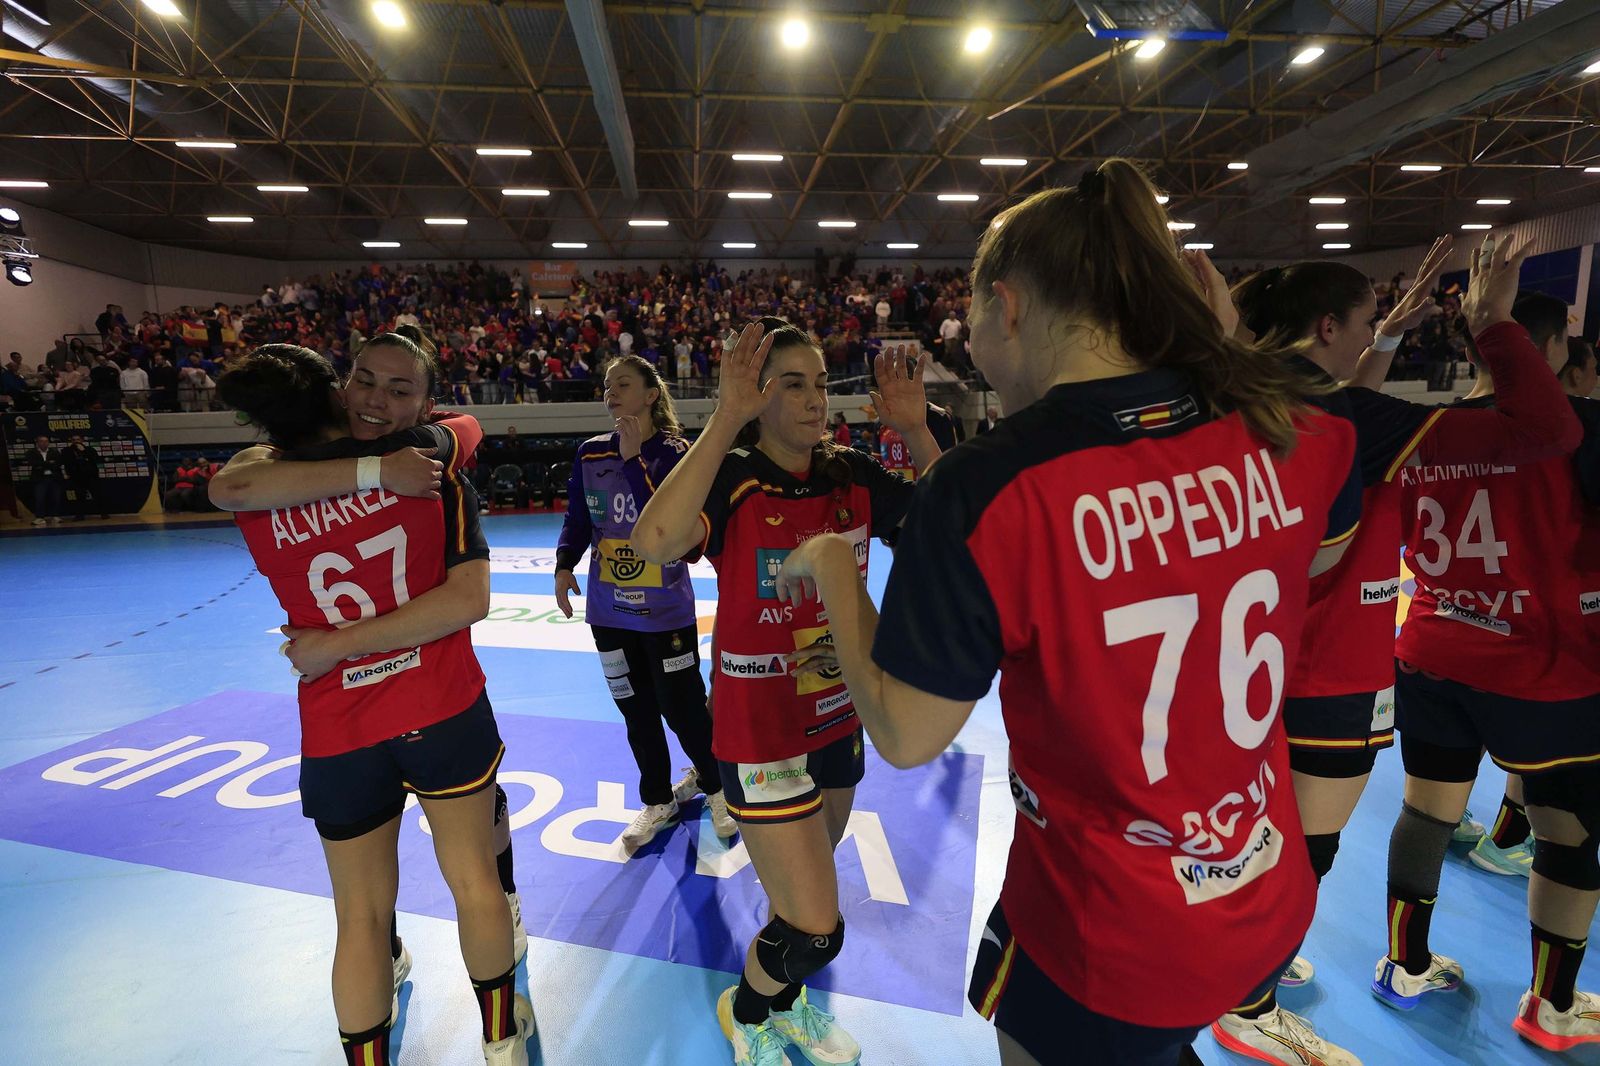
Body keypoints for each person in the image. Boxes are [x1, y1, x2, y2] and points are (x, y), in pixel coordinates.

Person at [769, 161, 1366, 1066]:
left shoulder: (985, 488)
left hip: (1109, 935)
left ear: (1007, 307)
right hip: (1260, 895)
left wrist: (830, 570)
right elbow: (1305, 550)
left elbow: (902, 729)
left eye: (972, 324)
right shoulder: (1294, 428)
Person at [1220, 237, 1580, 1061]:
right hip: (1332, 664)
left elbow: (1345, 408)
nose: (1376, 334)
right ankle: (1249, 1003)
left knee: (1254, 832)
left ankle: (1248, 966)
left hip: (1251, 664)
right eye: (1366, 323)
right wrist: (1491, 321)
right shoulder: (1349, 419)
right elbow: (1545, 427)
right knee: (1306, 849)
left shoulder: (1257, 400)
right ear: (1324, 327)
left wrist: (1384, 340)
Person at [210, 337, 535, 1066]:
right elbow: (468, 597)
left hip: (337, 726)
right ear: (336, 390)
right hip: (441, 703)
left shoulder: (261, 498)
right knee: (476, 882)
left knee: (359, 920)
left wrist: (334, 648)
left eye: (393, 387)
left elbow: (231, 486)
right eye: (362, 380)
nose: (373, 398)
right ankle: (499, 1041)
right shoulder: (426, 473)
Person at [633, 317, 939, 1066]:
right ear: (757, 397)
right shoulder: (734, 476)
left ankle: (785, 1001)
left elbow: (957, 528)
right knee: (815, 926)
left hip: (839, 715)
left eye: (821, 384)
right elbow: (654, 543)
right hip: (760, 730)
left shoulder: (852, 475)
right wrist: (725, 417)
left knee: (798, 890)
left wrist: (919, 429)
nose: (813, 400)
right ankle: (746, 1009)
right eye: (790, 385)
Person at [1371, 278, 1600, 1051]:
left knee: (1425, 811)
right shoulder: (1564, 429)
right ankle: (1551, 1006)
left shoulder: (1422, 428)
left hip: (1433, 645)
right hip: (1538, 668)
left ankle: (1404, 964)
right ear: (1547, 351)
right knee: (1567, 835)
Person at [553, 354, 732, 849]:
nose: (611, 391)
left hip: (664, 613)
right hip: (608, 613)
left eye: (623, 383)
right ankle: (658, 798)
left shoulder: (677, 453)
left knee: (683, 707)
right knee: (635, 709)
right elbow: (578, 516)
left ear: (652, 394)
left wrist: (633, 460)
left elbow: (667, 524)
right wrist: (565, 564)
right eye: (607, 384)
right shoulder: (589, 453)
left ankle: (716, 786)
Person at [62, 434, 109, 520]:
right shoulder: (67, 451)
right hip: (77, 477)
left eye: (78, 439)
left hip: (91, 476)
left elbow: (96, 460)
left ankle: (104, 513)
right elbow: (66, 462)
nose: (76, 441)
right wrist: (69, 473)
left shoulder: (90, 449)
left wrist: (84, 451)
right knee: (79, 497)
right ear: (71, 441)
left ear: (82, 440)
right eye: (74, 439)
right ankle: (80, 515)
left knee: (97, 495)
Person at [24, 434, 65, 526]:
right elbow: (34, 463)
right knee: (39, 498)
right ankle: (40, 518)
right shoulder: (31, 452)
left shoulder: (54, 452)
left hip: (54, 478)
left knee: (56, 498)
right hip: (39, 479)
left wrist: (43, 465)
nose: (44, 443)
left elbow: (58, 463)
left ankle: (55, 516)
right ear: (37, 442)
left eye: (46, 441)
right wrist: (48, 463)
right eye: (41, 441)